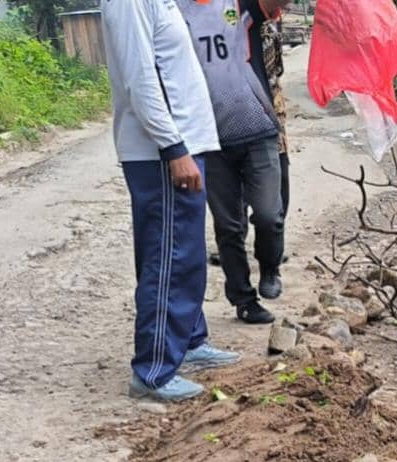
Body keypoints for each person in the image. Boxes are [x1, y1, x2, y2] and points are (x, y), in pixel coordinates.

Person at [101, 0, 240, 402]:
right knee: (169, 258)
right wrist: (173, 147)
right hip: (161, 153)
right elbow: (141, 78)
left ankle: (190, 340)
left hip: (182, 146)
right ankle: (154, 370)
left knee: (186, 255)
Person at [177, 0, 291, 325]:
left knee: (270, 215)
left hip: (258, 128)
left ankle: (270, 267)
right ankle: (243, 299)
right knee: (228, 227)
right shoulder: (174, 11)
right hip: (208, 137)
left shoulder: (238, 3)